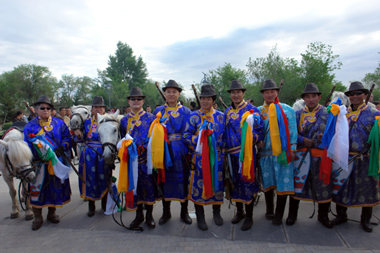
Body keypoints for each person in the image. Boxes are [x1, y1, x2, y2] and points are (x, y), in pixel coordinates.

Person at [332, 82, 380, 233]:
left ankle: (365, 219)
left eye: (358, 93)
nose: (354, 96)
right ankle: (341, 216)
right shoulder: (342, 113)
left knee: (367, 189)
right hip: (344, 158)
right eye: (351, 94)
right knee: (342, 187)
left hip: (364, 158)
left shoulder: (374, 114)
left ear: (365, 95)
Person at [285, 83, 333, 228]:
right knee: (297, 185)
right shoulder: (297, 114)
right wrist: (302, 140)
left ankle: (323, 216)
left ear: (319, 97)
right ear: (304, 98)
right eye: (307, 96)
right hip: (302, 156)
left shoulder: (328, 113)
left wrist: (323, 137)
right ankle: (292, 215)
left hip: (321, 156)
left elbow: (334, 133)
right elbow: (292, 133)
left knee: (323, 186)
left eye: (314, 96)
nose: (311, 99)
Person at [23, 96, 71, 230]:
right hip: (38, 164)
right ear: (36, 109)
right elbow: (25, 144)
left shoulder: (59, 123)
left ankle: (52, 213)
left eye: (48, 108)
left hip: (55, 162)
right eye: (42, 108)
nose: (45, 110)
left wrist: (64, 146)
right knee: (38, 190)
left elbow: (67, 137)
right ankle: (37, 217)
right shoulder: (30, 126)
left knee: (54, 188)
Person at [183, 84, 225, 231]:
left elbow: (224, 137)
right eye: (203, 98)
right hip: (199, 159)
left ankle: (217, 213)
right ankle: (200, 217)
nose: (205, 101)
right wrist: (200, 139)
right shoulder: (193, 116)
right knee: (198, 187)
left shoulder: (221, 116)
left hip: (217, 158)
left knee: (216, 185)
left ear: (213, 100)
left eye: (208, 99)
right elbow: (186, 136)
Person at [224, 80, 264, 231]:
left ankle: (249, 216)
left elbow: (260, 130)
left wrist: (251, 140)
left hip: (246, 154)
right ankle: (239, 212)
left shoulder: (252, 110)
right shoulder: (227, 112)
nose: (235, 95)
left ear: (243, 93)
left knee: (247, 183)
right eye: (233, 92)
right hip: (230, 155)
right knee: (234, 183)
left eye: (238, 92)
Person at [257, 79, 297, 225]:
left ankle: (279, 215)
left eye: (272, 91)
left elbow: (293, 131)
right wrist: (257, 141)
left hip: (282, 153)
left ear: (277, 92)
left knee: (283, 184)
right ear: (263, 94)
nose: (269, 94)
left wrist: (292, 149)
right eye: (266, 92)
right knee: (268, 184)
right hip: (265, 154)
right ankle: (269, 210)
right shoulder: (258, 111)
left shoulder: (287, 110)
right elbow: (255, 131)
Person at [152, 80, 192, 225]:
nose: (171, 94)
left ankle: (184, 212)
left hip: (182, 151)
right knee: (165, 180)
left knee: (184, 180)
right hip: (164, 151)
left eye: (174, 91)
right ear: (165, 93)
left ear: (179, 94)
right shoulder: (158, 112)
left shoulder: (187, 112)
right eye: (168, 91)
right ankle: (166, 212)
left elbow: (190, 131)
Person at [120, 87, 159, 228]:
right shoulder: (124, 121)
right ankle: (138, 216)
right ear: (129, 102)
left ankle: (149, 215)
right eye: (132, 99)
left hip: (147, 161)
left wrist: (145, 147)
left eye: (138, 99)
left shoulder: (151, 118)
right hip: (131, 162)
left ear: (143, 101)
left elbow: (155, 138)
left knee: (149, 187)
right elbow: (121, 139)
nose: (135, 101)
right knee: (135, 188)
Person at [74, 97, 111, 217]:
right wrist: (78, 134)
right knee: (89, 180)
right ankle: (91, 206)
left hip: (103, 153)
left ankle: (105, 205)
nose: (98, 109)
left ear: (104, 108)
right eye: (95, 107)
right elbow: (81, 139)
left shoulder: (109, 120)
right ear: (92, 109)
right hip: (88, 155)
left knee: (105, 179)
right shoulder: (87, 122)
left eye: (100, 107)